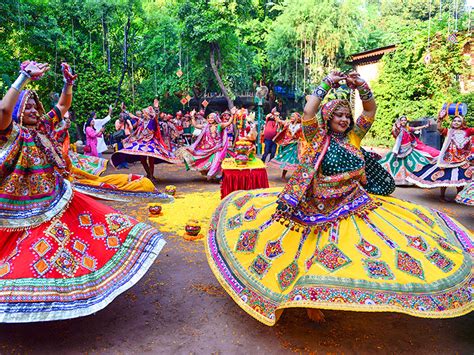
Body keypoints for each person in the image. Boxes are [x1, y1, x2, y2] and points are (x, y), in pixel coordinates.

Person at [205, 70, 472, 326]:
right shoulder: (315, 137)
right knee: (311, 252)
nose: (344, 120)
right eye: (339, 115)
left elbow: (370, 110)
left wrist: (362, 87)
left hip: (354, 203)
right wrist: (326, 84)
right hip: (317, 208)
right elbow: (309, 111)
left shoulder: (354, 137)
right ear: (329, 118)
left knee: (362, 249)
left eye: (347, 115)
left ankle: (345, 294)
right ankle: (309, 300)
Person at [0, 60, 168, 322]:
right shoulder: (12, 132)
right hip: (20, 208)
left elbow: (63, 106)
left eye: (35, 106)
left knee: (88, 232)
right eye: (27, 107)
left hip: (57, 199)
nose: (33, 110)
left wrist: (68, 83)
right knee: (23, 255)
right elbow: (2, 109)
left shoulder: (43, 126)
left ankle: (68, 294)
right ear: (18, 111)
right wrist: (23, 78)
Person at [407, 110, 473, 201]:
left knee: (461, 177)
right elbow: (439, 128)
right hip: (448, 159)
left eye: (459, 121)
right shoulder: (449, 131)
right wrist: (440, 119)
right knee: (444, 177)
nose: (456, 122)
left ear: (463, 123)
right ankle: (442, 196)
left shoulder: (468, 131)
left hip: (462, 159)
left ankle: (458, 196)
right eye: (454, 121)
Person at [110, 104, 181, 181]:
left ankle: (151, 176)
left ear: (148, 114)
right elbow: (132, 116)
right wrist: (124, 110)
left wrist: (156, 107)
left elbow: (156, 115)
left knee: (151, 160)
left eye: (144, 113)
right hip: (142, 141)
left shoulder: (153, 120)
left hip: (151, 142)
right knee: (143, 160)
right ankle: (149, 174)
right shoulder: (142, 121)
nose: (143, 114)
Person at [380, 116, 439, 185]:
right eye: (402, 120)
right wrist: (396, 126)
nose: (404, 122)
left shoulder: (407, 128)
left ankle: (414, 178)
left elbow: (415, 128)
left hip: (409, 149)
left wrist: (425, 126)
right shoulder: (398, 129)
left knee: (413, 163)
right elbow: (395, 132)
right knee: (394, 164)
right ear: (400, 121)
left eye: (405, 120)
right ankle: (395, 179)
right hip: (399, 151)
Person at [176, 111, 233, 180]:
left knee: (217, 160)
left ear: (215, 118)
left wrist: (233, 114)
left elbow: (229, 123)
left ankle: (214, 175)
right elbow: (196, 125)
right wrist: (192, 117)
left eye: (212, 118)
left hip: (218, 148)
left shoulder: (219, 126)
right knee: (201, 158)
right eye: (209, 118)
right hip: (208, 148)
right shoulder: (206, 126)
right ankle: (211, 174)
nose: (210, 119)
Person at [268, 112, 303, 179]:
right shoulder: (288, 124)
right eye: (291, 116)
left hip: (296, 145)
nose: (291, 117)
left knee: (297, 160)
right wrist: (275, 115)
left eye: (293, 116)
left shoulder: (301, 126)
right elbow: (279, 121)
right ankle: (283, 175)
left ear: (297, 118)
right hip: (288, 144)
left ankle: (298, 176)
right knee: (286, 159)